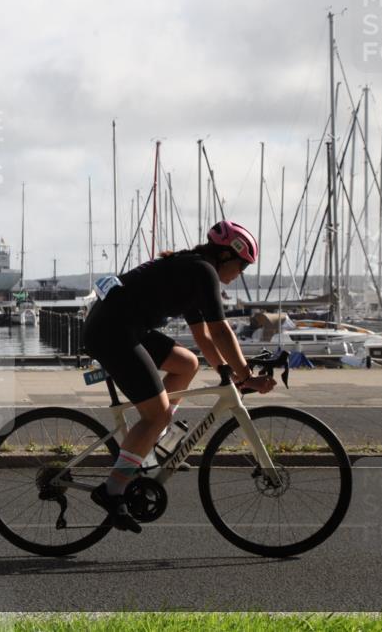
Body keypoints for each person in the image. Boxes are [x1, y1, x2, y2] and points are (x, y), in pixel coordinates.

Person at [81, 221, 276, 532]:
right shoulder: (203, 271)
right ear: (226, 256)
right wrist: (246, 375)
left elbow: (203, 338)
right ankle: (112, 490)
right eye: (242, 266)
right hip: (112, 332)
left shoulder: (192, 271)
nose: (239, 274)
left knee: (186, 364)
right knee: (155, 414)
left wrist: (227, 372)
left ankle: (152, 448)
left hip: (123, 327)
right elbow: (221, 331)